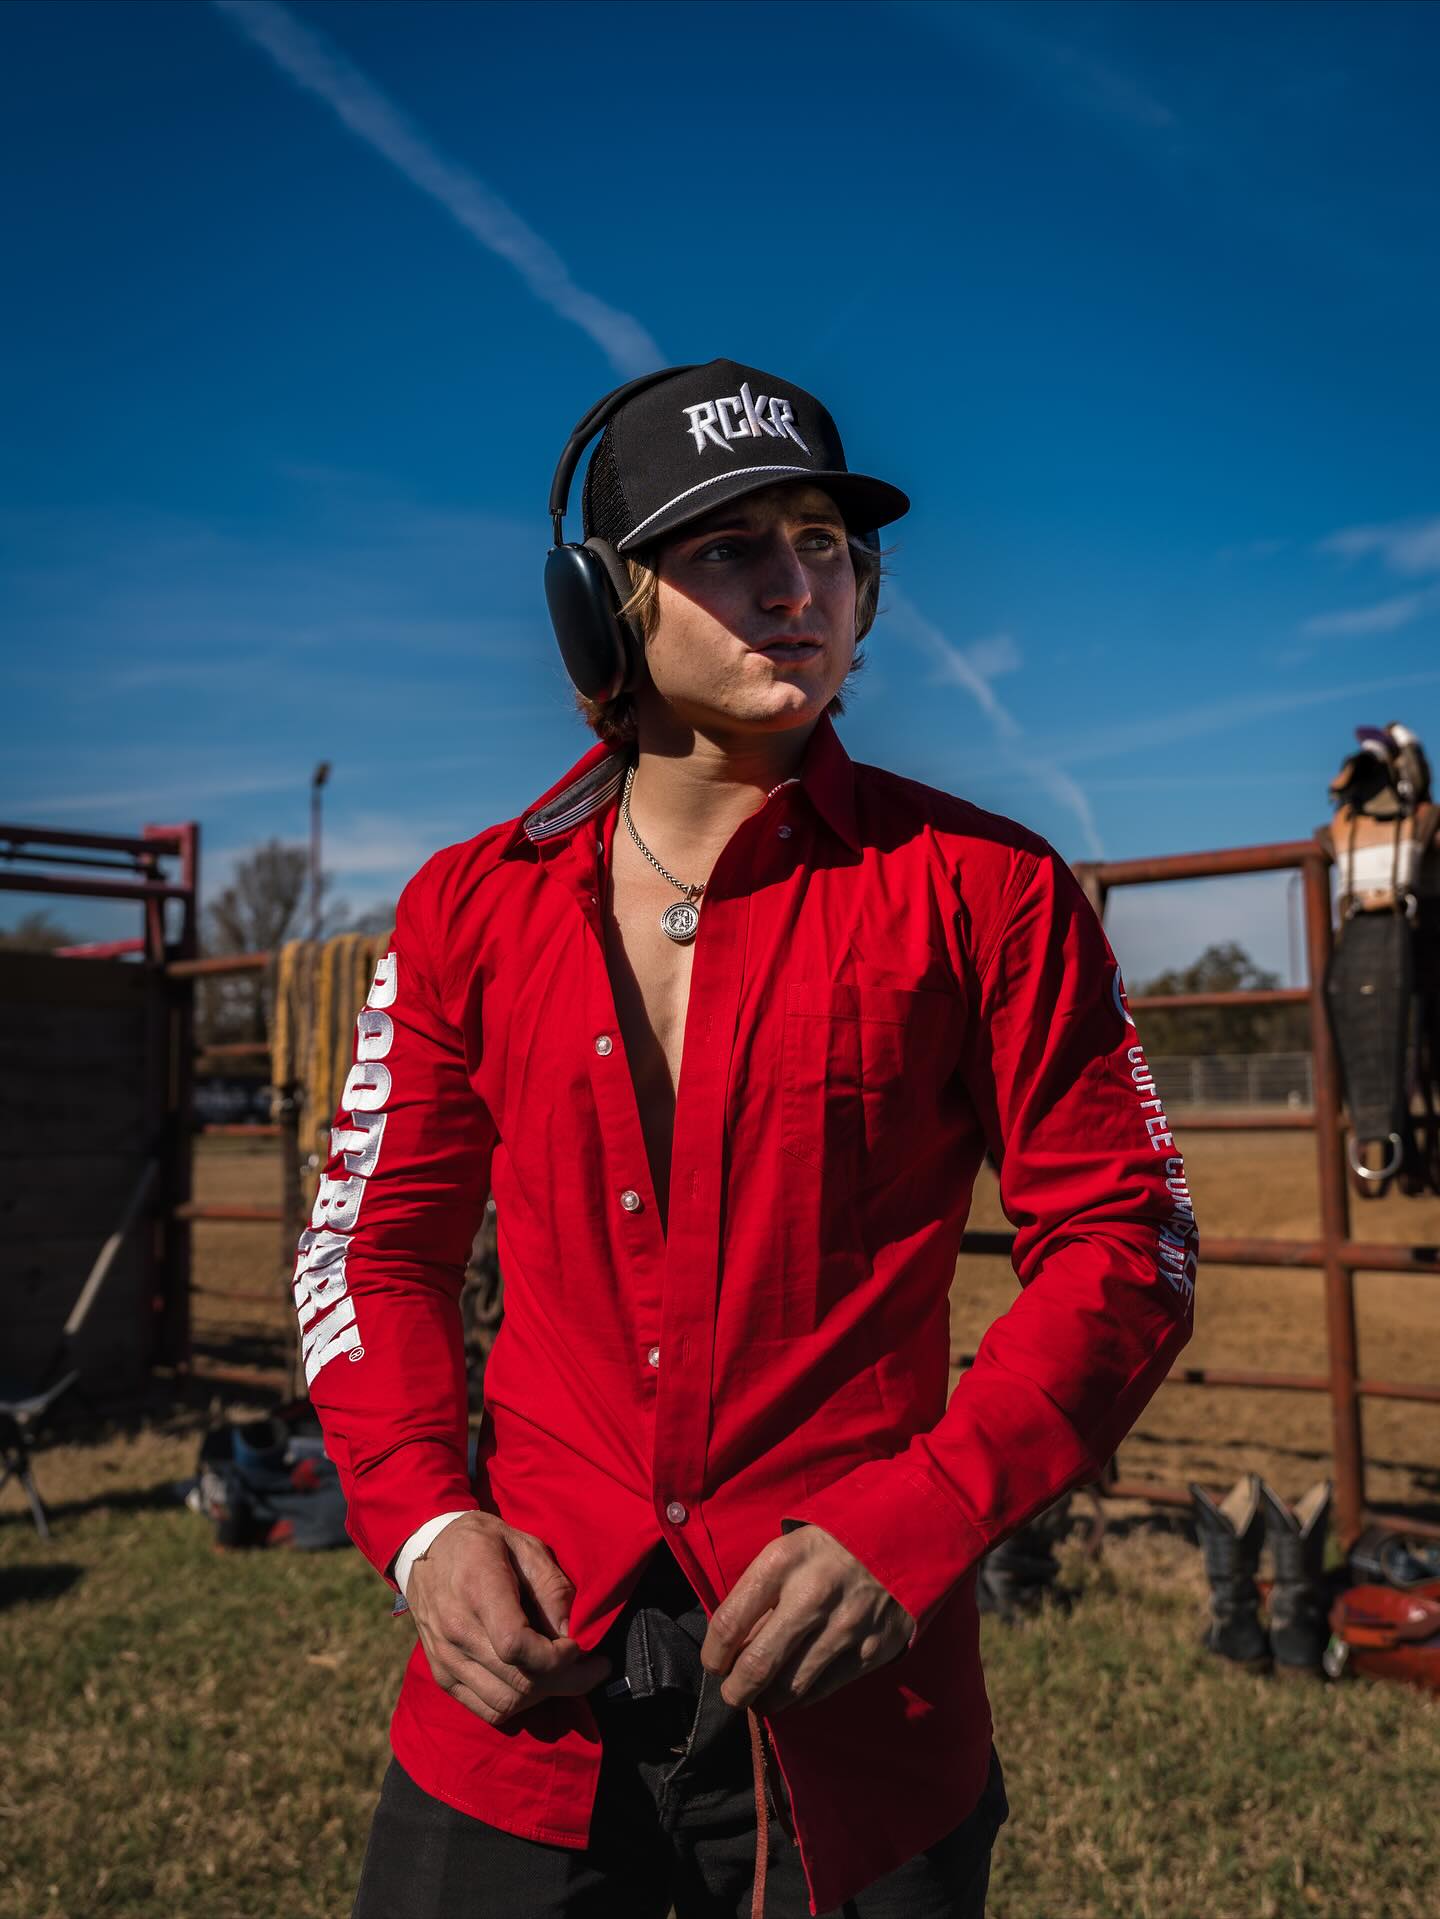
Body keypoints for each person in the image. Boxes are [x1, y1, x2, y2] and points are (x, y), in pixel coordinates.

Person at [296, 359, 1198, 1918]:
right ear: (603, 609)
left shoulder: (991, 889)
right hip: (521, 1699)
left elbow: (1129, 1245)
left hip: (857, 1702)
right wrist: (425, 1524)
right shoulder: (466, 905)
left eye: (826, 544)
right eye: (730, 549)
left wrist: (925, 1517)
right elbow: (371, 1244)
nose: (799, 588)